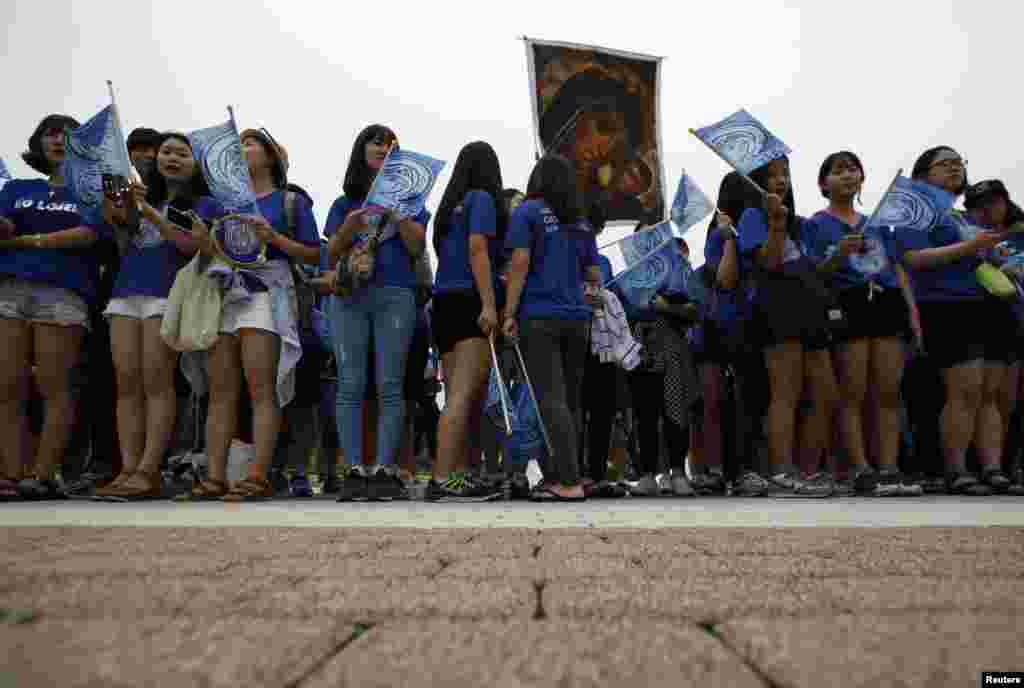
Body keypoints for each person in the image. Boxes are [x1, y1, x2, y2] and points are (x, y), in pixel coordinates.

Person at [188, 127, 320, 501]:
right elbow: (202, 250)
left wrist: (274, 238)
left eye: (249, 143)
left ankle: (258, 474)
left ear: (271, 156)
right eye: (238, 145)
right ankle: (214, 476)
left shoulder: (289, 201)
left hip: (266, 292)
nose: (242, 149)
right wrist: (203, 241)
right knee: (221, 391)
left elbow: (314, 254)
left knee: (262, 388)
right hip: (224, 291)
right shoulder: (218, 202)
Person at [94, 132, 207, 499]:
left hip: (167, 295)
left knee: (157, 383)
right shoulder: (142, 194)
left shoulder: (204, 204)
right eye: (166, 152)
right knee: (127, 384)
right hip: (126, 293)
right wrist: (122, 205)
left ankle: (148, 469)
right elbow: (116, 225)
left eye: (181, 153)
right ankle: (127, 469)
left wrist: (151, 215)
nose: (171, 158)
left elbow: (191, 247)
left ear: (196, 162)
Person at [0, 114, 107, 500]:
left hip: (64, 291)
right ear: (39, 142)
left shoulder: (93, 190)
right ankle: (11, 473)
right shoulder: (17, 187)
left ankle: (44, 473)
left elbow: (91, 234)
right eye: (51, 133)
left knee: (54, 385)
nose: (59, 139)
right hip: (9, 289)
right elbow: (4, 227)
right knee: (7, 384)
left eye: (69, 134)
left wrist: (30, 242)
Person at [807, 151, 922, 497]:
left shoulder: (877, 224)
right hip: (849, 302)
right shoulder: (816, 224)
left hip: (885, 302)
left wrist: (912, 315)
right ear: (823, 183)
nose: (847, 175)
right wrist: (839, 254)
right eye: (838, 170)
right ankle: (860, 468)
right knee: (852, 391)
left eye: (853, 168)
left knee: (887, 392)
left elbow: (898, 272)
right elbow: (816, 274)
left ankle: (889, 468)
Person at [324, 125, 428, 502]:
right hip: (350, 296)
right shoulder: (343, 202)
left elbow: (417, 247)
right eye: (376, 141)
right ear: (361, 150)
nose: (384, 147)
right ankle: (354, 469)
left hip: (395, 295)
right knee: (350, 383)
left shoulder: (413, 199)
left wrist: (399, 213)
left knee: (389, 384)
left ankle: (384, 469)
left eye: (391, 144)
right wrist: (352, 224)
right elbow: (331, 254)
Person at [896, 146, 1007, 495]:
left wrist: (993, 253)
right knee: (965, 389)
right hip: (943, 305)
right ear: (921, 175)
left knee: (990, 392)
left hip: (982, 304)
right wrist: (968, 248)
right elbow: (913, 258)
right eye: (945, 164)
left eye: (959, 163)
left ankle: (992, 468)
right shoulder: (917, 214)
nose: (955, 168)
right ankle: (956, 470)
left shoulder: (962, 217)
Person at [734, 156, 838, 497]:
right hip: (778, 309)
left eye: (785, 174)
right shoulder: (753, 216)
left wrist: (838, 257)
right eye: (773, 174)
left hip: (811, 309)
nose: (781, 180)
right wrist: (776, 223)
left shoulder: (801, 222)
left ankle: (807, 471)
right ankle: (782, 470)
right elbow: (768, 261)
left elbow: (813, 267)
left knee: (824, 392)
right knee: (786, 391)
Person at [502, 155, 601, 501]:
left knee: (550, 399)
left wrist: (509, 312)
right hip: (577, 318)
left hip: (539, 315)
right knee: (570, 401)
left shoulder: (527, 213)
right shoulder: (582, 223)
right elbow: (593, 275)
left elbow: (520, 262)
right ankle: (562, 475)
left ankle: (569, 481)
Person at [426, 141, 507, 502]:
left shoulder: (447, 210)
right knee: (463, 395)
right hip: (470, 301)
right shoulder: (483, 200)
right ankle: (443, 477)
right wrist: (490, 304)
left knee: (455, 396)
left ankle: (454, 474)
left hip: (442, 302)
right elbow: (478, 249)